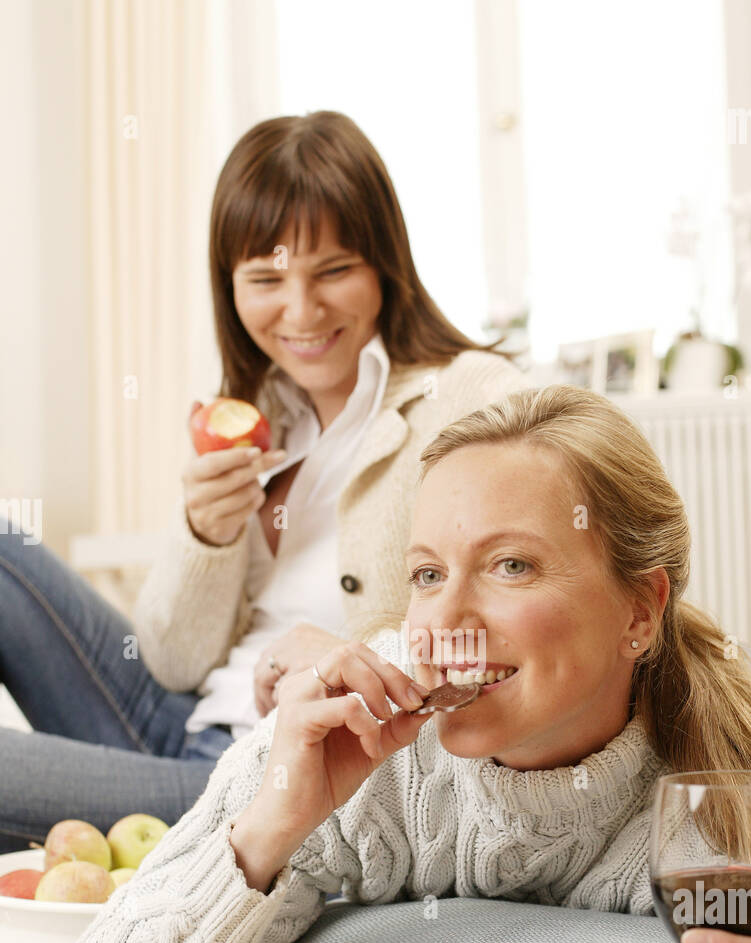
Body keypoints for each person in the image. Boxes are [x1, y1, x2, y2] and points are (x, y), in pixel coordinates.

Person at [53, 386, 751, 943]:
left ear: (640, 610)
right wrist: (273, 823)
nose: (441, 625)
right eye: (428, 575)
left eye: (511, 565)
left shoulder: (742, 794)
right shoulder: (353, 749)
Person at [0, 111, 524, 853]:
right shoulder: (262, 415)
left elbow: (532, 606)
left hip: (269, 773)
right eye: (267, 279)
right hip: (181, 722)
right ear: (231, 287)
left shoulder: (474, 396)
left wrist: (357, 658)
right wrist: (204, 536)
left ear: (385, 264)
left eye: (334, 271)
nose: (302, 312)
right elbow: (172, 663)